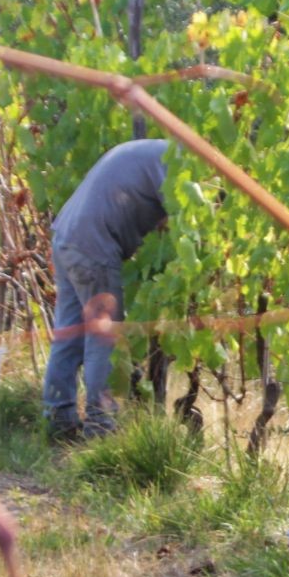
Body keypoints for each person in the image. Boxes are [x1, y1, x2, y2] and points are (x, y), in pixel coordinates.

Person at [43, 139, 172, 441]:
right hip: (94, 246)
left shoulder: (151, 151)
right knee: (105, 337)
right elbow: (179, 217)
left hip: (66, 238)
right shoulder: (176, 162)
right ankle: (101, 428)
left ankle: (57, 421)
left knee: (69, 334)